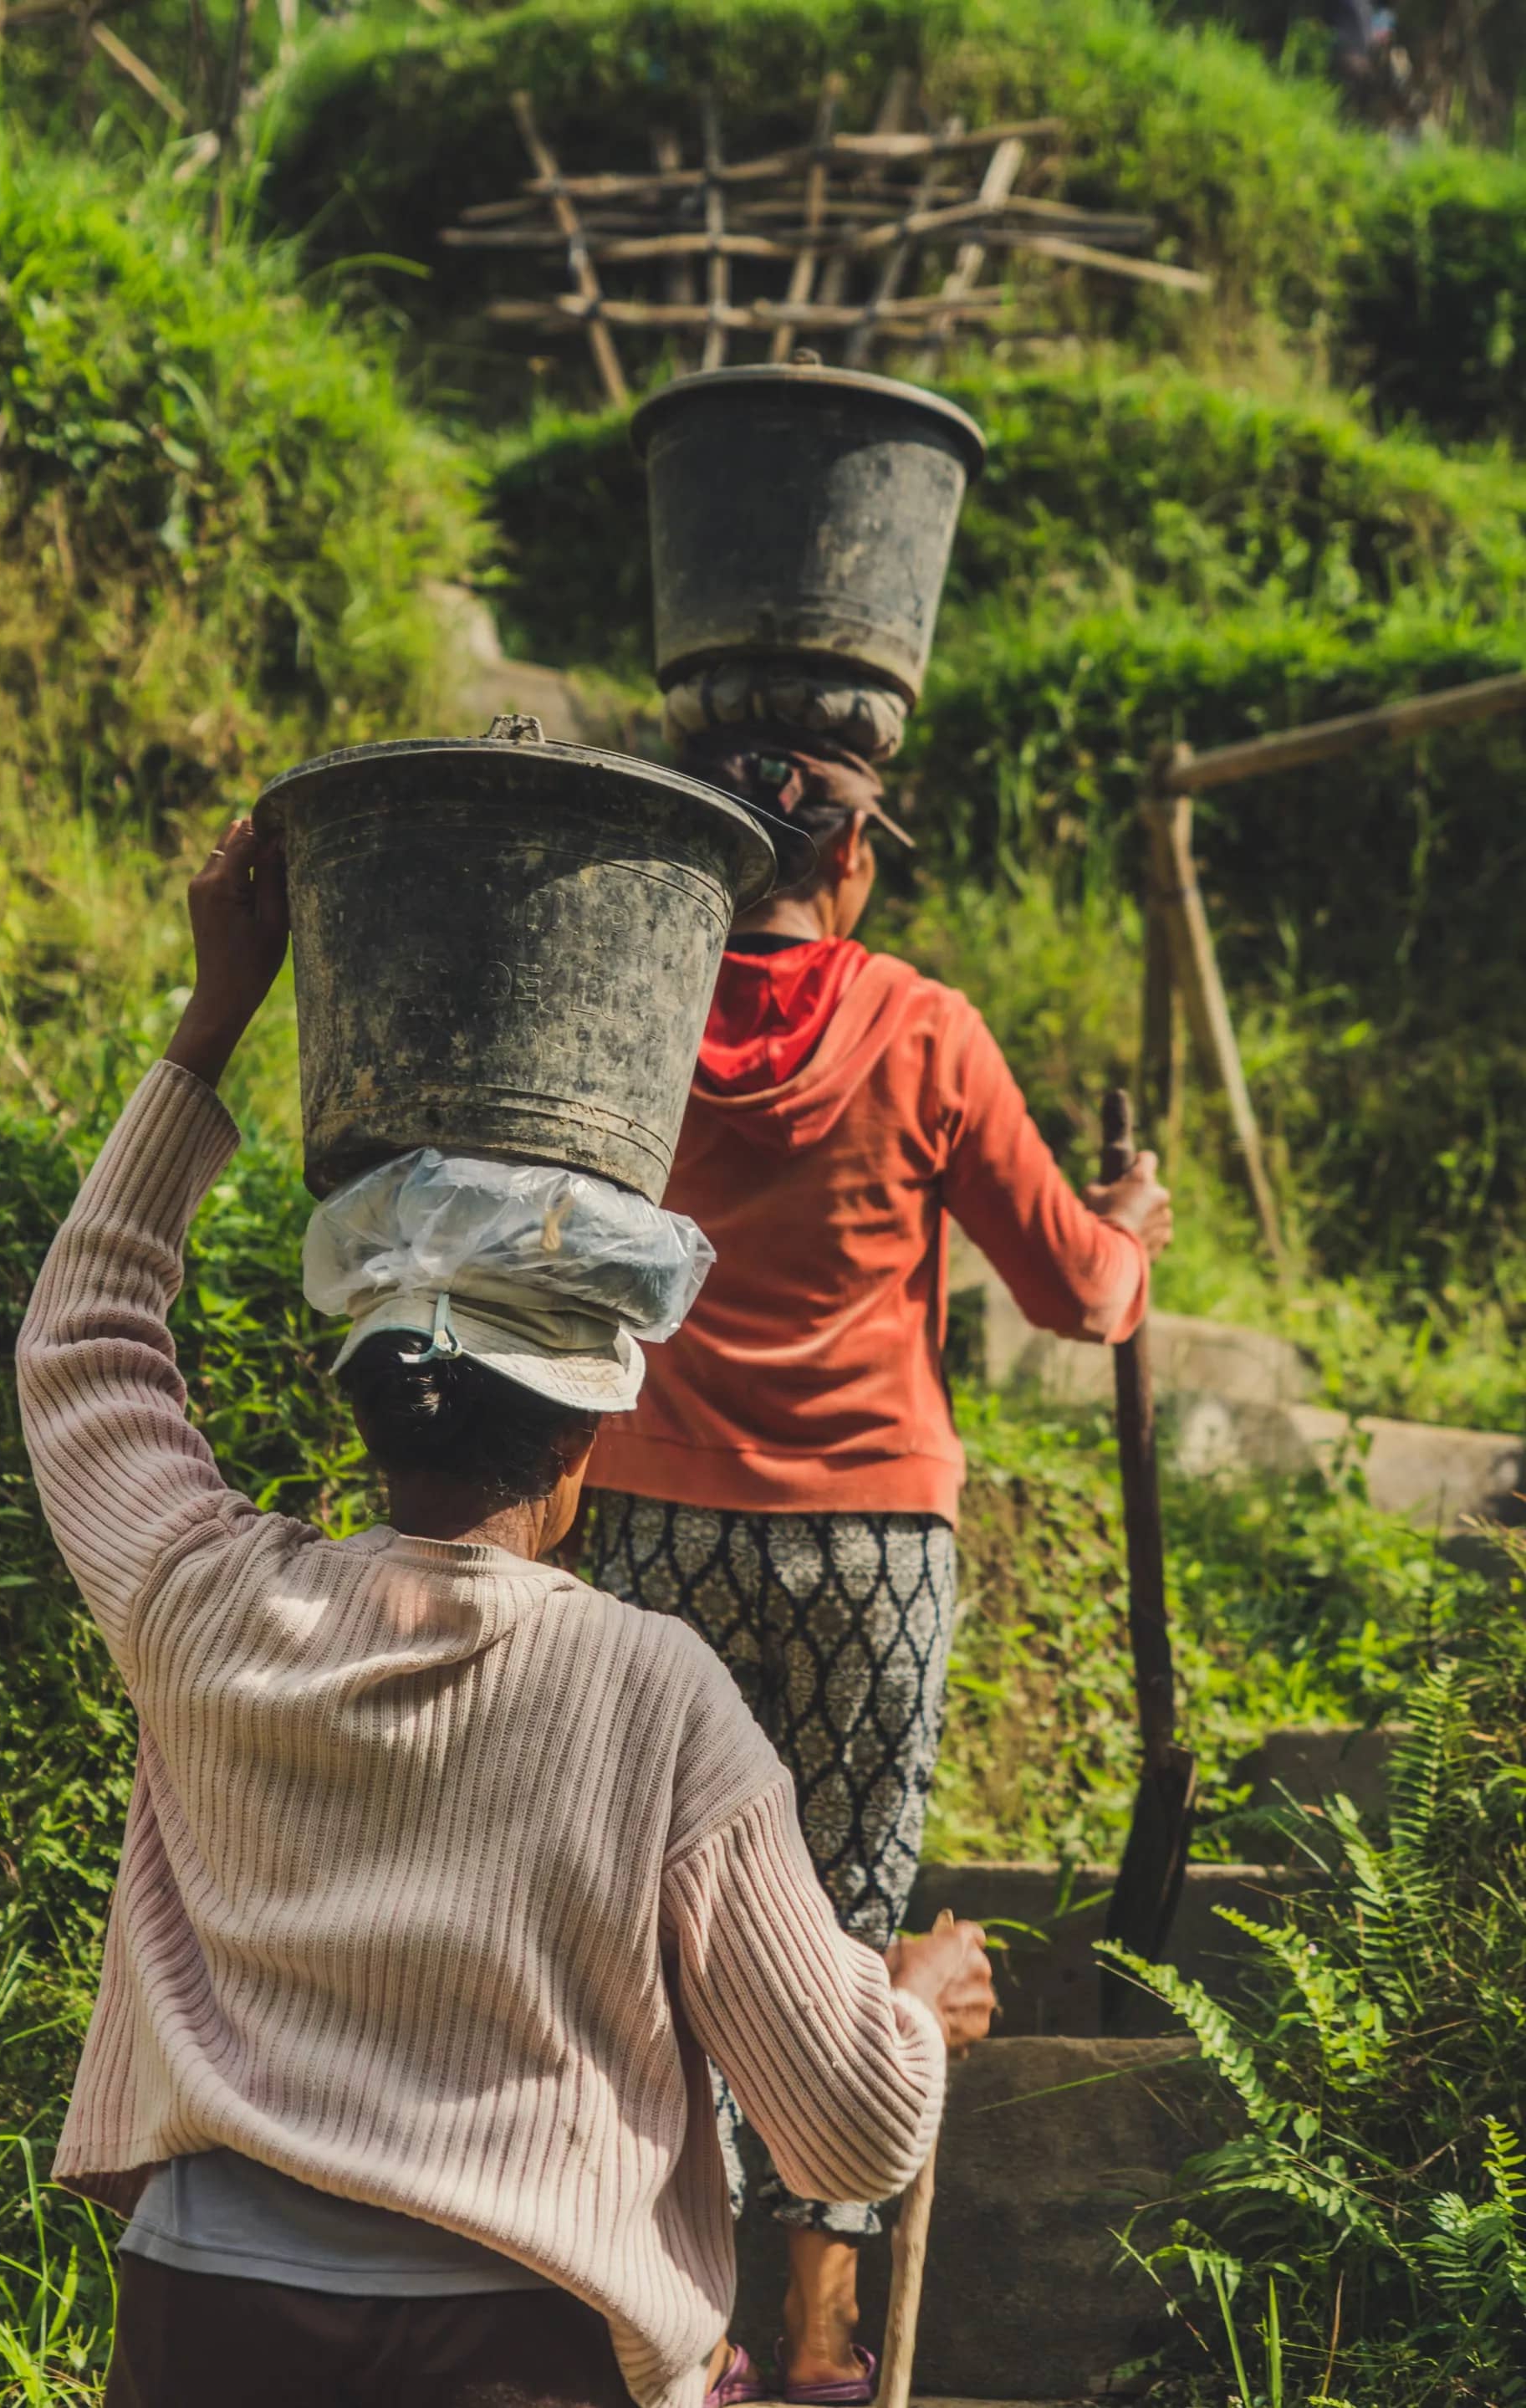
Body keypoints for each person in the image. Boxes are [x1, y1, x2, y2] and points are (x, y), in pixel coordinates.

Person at [16, 817, 995, 2408]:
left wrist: (217, 1017)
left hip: (207, 2319)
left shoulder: (199, 1601)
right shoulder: (652, 1692)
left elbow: (81, 1342)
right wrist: (911, 2009)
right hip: (517, 2347)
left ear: (368, 1402)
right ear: (589, 1431)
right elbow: (851, 2128)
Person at [584, 735, 1174, 2405]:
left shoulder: (632, 1008)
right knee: (841, 1940)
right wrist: (1128, 1225)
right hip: (870, 1548)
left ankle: (679, 2337)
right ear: (850, 866)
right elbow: (1075, 1292)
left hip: (661, 1527)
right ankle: (823, 2347)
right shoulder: (922, 1026)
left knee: (669, 1929)